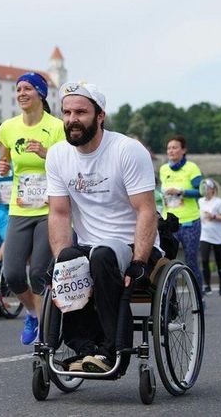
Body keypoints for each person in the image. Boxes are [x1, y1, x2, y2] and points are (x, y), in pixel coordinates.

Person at [46, 81, 162, 373]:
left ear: (100, 116)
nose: (72, 119)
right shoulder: (58, 155)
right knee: (70, 260)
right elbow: (59, 213)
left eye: (81, 112)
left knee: (102, 255)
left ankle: (111, 351)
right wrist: (60, 259)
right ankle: (85, 347)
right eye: (67, 112)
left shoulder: (126, 150)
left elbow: (147, 210)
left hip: (131, 243)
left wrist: (139, 261)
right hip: (89, 245)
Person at [0, 72, 65, 344]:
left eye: (27, 88)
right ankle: (33, 314)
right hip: (20, 208)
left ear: (41, 94)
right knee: (12, 273)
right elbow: (4, 160)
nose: (21, 93)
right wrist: (2, 166)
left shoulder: (57, 127)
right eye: (18, 89)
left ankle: (46, 329)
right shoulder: (8, 128)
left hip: (50, 210)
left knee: (38, 272)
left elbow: (69, 164)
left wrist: (47, 153)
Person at [159, 135, 204, 289]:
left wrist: (181, 191)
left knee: (191, 261)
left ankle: (198, 296)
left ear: (183, 150)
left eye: (175, 147)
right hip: (170, 222)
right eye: (169, 148)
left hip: (190, 222)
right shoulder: (164, 169)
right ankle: (169, 300)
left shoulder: (191, 168)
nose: (171, 151)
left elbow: (201, 191)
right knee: (166, 263)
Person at [198, 178, 221, 296]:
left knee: (219, 262)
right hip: (204, 235)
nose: (205, 190)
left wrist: (214, 216)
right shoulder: (199, 201)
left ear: (212, 189)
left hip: (218, 237)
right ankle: (207, 286)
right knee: (204, 260)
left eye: (207, 188)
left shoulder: (219, 202)